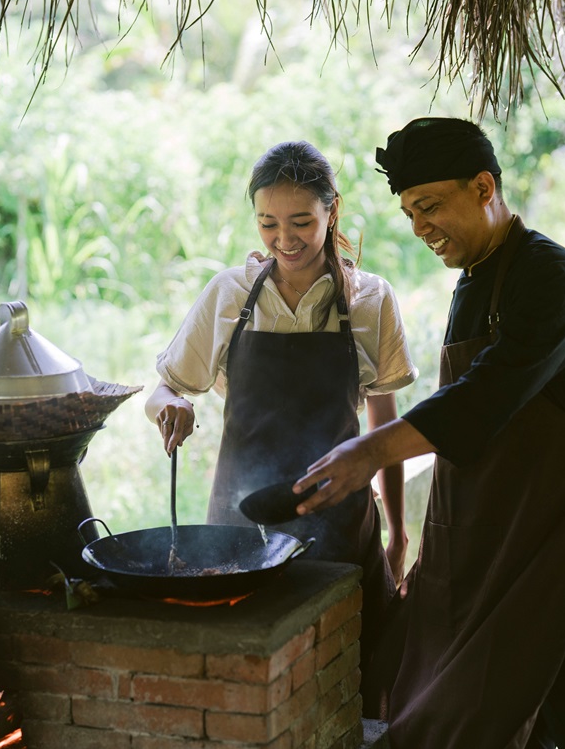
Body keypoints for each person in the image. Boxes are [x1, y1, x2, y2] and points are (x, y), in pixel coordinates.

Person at [295, 117, 565, 748]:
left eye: (431, 206)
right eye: (410, 213)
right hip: (495, 538)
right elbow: (462, 437)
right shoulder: (471, 285)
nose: (419, 228)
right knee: (487, 716)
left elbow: (483, 399)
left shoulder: (552, 277)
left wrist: (372, 449)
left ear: (485, 187)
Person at [145, 140, 418, 712]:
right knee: (247, 686)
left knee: (355, 680)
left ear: (331, 211)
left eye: (302, 221)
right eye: (268, 223)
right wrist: (172, 406)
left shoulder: (369, 300)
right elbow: (166, 386)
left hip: (343, 523)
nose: (284, 239)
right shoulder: (230, 293)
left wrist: (397, 533)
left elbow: (383, 427)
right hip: (240, 528)